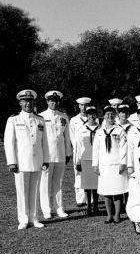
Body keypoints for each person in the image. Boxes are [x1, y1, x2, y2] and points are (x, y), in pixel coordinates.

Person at [4, 90, 49, 230]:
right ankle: (23, 219)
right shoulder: (14, 119)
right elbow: (8, 142)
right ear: (20, 103)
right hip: (21, 162)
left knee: (35, 191)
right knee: (22, 192)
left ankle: (34, 218)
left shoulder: (40, 120)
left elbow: (45, 143)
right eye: (25, 101)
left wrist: (46, 159)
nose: (28, 103)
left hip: (37, 161)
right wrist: (12, 161)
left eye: (30, 101)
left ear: (33, 102)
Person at [92, 105, 128, 224]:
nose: (110, 116)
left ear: (115, 116)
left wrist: (123, 163)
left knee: (117, 191)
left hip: (116, 164)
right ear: (104, 116)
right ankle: (109, 215)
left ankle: (117, 215)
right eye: (107, 114)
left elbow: (124, 148)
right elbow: (95, 149)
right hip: (104, 165)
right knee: (106, 191)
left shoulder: (119, 130)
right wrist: (95, 164)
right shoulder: (99, 132)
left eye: (112, 114)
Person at [40, 90, 72, 219]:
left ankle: (59, 208)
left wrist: (68, 153)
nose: (54, 103)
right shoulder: (41, 116)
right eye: (51, 100)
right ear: (47, 101)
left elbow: (67, 136)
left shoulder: (63, 117)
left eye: (56, 100)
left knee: (58, 182)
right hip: (46, 155)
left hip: (60, 154)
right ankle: (47, 210)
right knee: (45, 183)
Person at [74, 106, 100, 216]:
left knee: (96, 185)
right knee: (87, 185)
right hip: (85, 159)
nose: (92, 117)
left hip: (97, 159)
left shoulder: (100, 129)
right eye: (90, 115)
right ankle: (89, 205)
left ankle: (96, 205)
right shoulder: (81, 129)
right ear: (87, 117)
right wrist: (77, 162)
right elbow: (78, 147)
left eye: (94, 115)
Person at [69, 97, 91, 207]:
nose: (84, 107)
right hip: (78, 150)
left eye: (86, 105)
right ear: (78, 106)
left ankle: (90, 199)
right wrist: (76, 149)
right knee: (78, 174)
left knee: (89, 174)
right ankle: (80, 199)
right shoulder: (74, 120)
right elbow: (72, 137)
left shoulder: (93, 119)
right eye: (82, 105)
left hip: (89, 150)